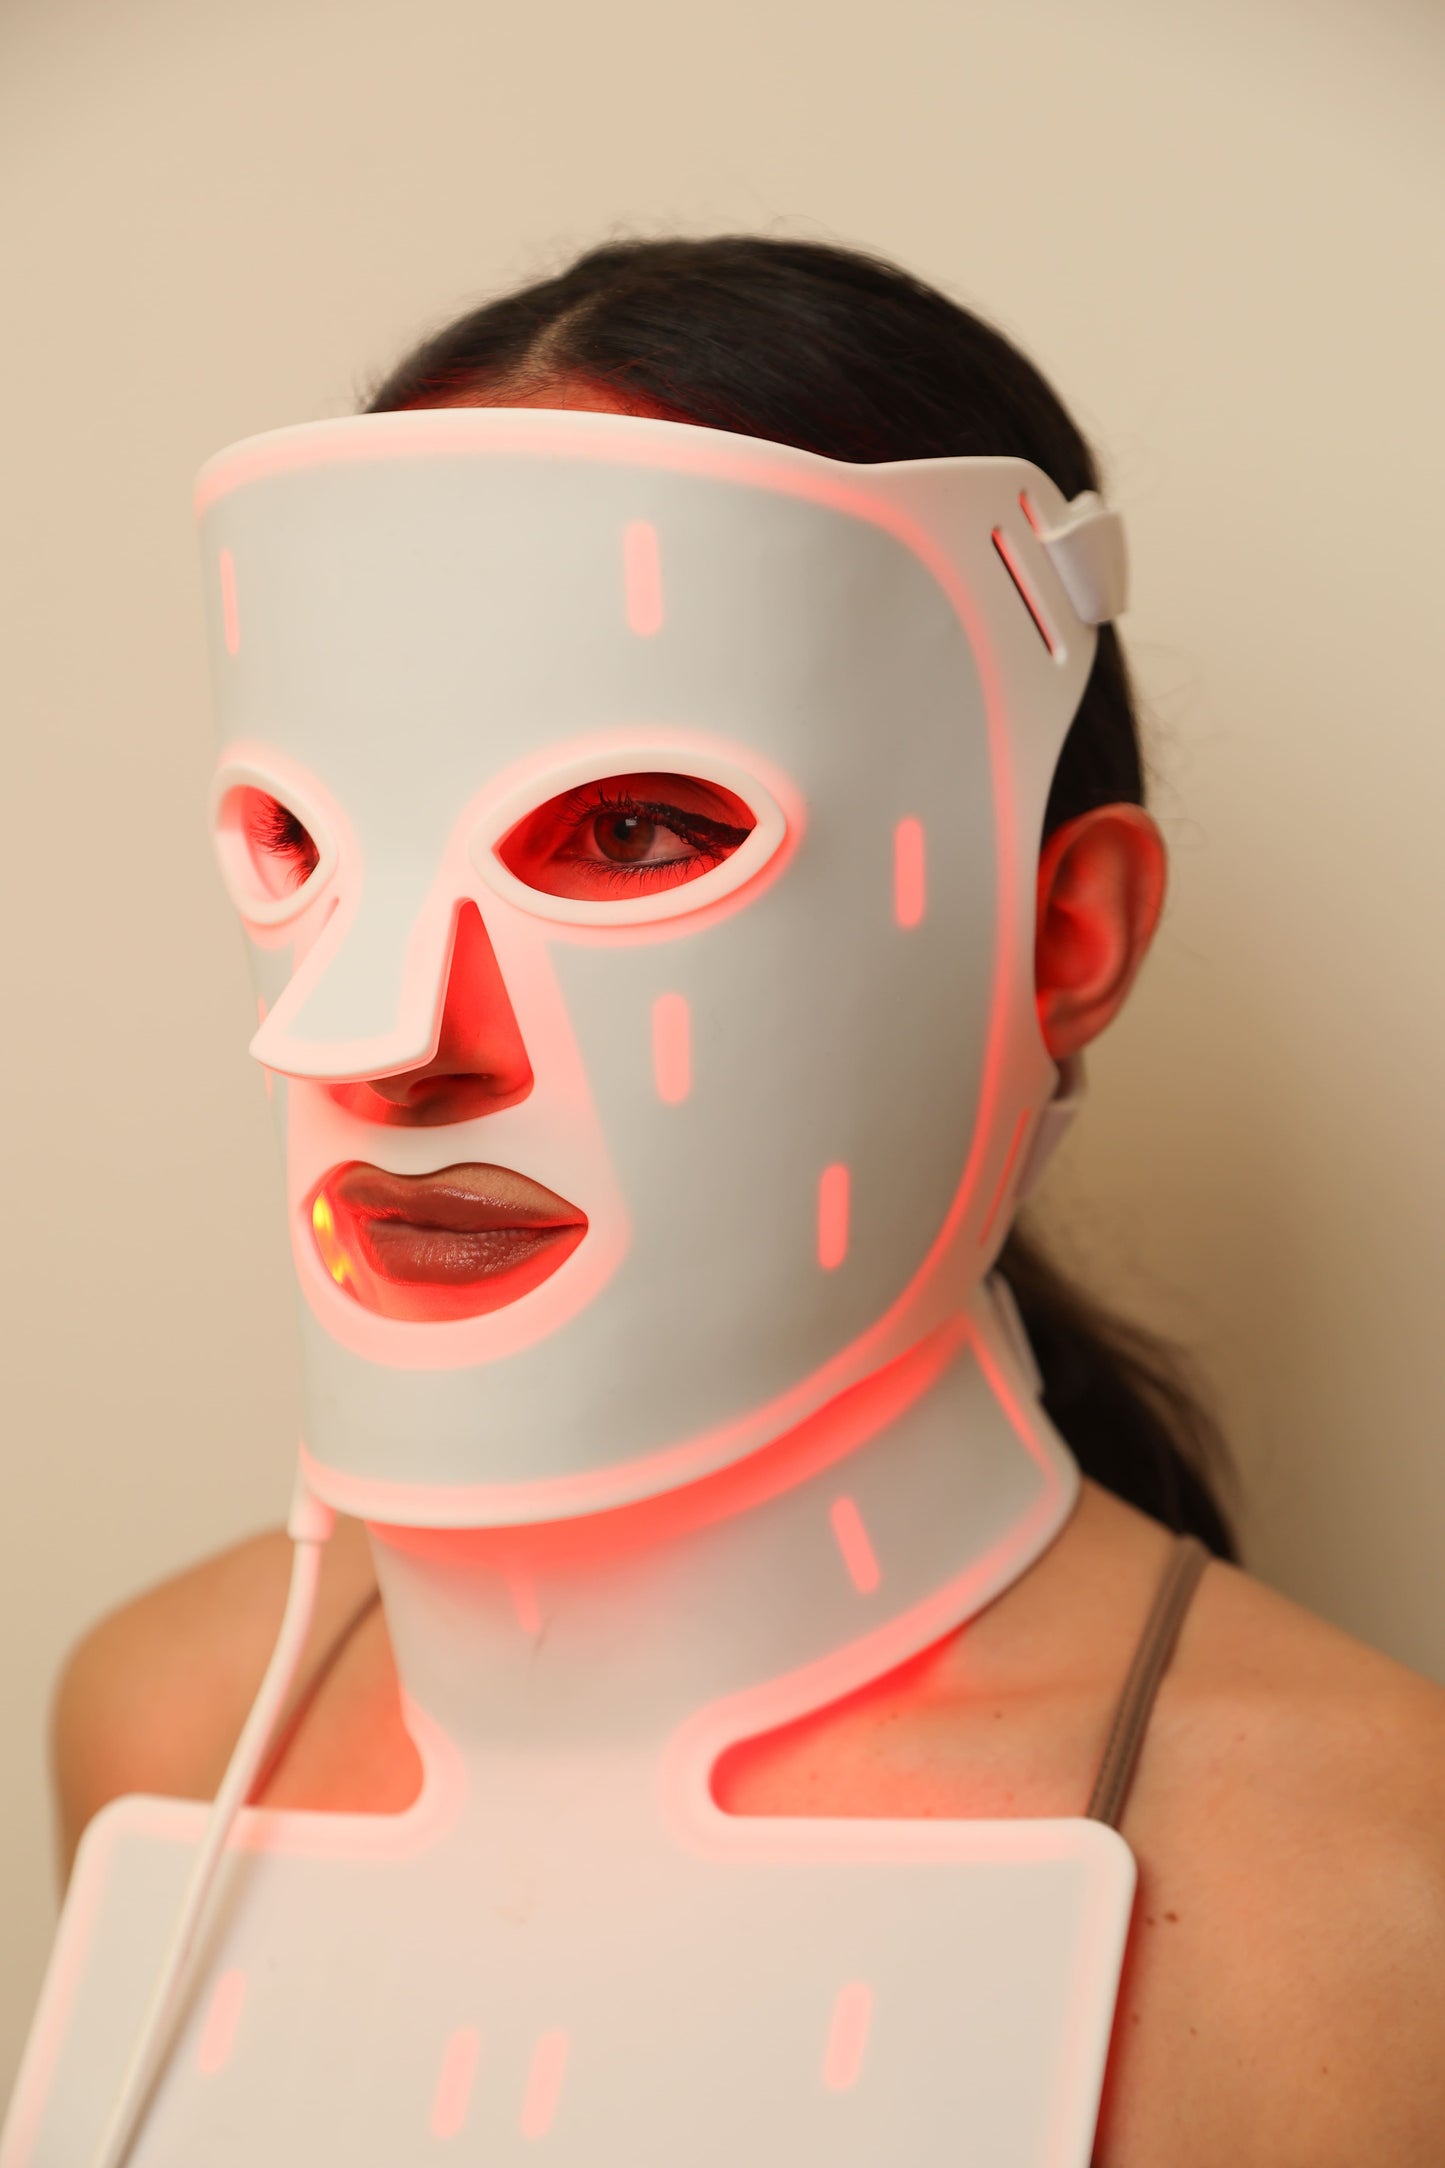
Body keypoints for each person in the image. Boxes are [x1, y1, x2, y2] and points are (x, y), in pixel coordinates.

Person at [50, 238, 1445, 2166]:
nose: (367, 1038)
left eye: (629, 832)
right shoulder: (166, 1720)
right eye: (303, 844)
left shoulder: (1369, 1888)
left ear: (1061, 934)